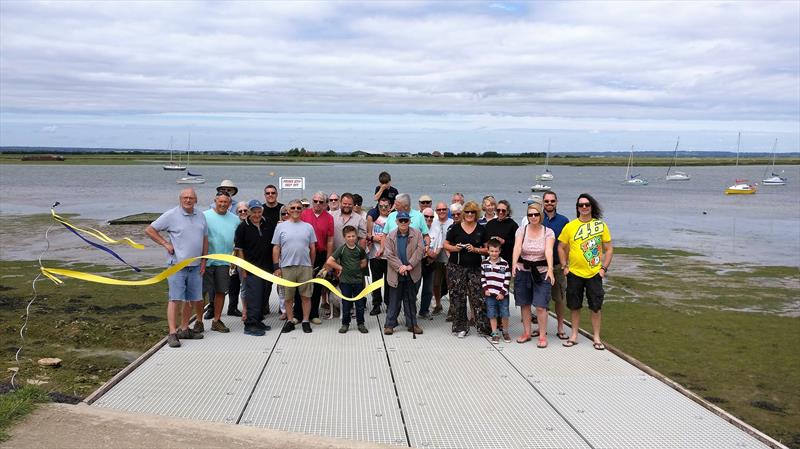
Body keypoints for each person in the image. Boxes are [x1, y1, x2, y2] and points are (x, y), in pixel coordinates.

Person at [145, 188, 208, 348]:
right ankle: (172, 333)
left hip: (195, 267)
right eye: (185, 197)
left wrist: (203, 262)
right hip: (176, 266)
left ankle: (185, 328)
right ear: (180, 199)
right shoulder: (171, 215)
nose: (188, 200)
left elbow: (205, 239)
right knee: (175, 299)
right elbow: (150, 230)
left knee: (192, 299)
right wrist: (165, 243)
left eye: (191, 198)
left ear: (196, 200)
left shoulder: (201, 216)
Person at [558, 193, 613, 350]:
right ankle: (574, 335)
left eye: (587, 205)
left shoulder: (601, 226)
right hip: (574, 273)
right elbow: (561, 247)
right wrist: (564, 267)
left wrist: (603, 269)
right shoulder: (570, 226)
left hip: (594, 273)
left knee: (596, 306)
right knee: (574, 306)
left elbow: (609, 249)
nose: (584, 207)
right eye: (581, 205)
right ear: (577, 208)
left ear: (591, 207)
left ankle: (596, 337)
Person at [443, 201, 490, 338]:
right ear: (464, 213)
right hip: (456, 267)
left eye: (472, 212)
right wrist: (455, 248)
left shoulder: (482, 229)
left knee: (479, 297)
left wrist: (475, 249)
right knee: (457, 297)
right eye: (467, 212)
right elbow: (445, 245)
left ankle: (483, 326)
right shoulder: (455, 228)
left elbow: (487, 249)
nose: (470, 214)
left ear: (476, 214)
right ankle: (460, 327)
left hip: (475, 267)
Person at [511, 201, 554, 348]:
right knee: (525, 303)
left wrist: (550, 268)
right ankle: (527, 332)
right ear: (527, 216)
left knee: (541, 306)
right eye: (530, 214)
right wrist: (514, 264)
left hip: (541, 272)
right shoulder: (521, 230)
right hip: (524, 270)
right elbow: (517, 247)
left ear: (540, 215)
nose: (533, 217)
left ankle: (542, 335)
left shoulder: (548, 232)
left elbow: (548, 250)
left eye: (536, 214)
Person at [272, 199, 317, 334]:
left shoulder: (308, 227)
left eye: (298, 208)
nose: (296, 210)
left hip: (305, 266)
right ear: (288, 210)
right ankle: (290, 321)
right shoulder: (281, 227)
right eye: (293, 208)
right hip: (287, 266)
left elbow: (312, 248)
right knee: (288, 297)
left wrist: (311, 265)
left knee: (306, 296)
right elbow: (276, 248)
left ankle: (305, 321)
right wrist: (276, 267)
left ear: (302, 210)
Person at [234, 200, 276, 336]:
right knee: (254, 296)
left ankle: (258, 320)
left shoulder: (268, 223)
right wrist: (243, 269)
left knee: (263, 294)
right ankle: (250, 325)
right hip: (251, 268)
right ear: (249, 212)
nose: (256, 215)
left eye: (259, 212)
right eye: (254, 212)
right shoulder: (242, 227)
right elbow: (239, 250)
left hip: (266, 267)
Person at [202, 192, 239, 333]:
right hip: (206, 260)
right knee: (201, 293)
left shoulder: (235, 219)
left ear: (230, 204)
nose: (223, 204)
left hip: (224, 262)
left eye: (226, 202)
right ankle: (199, 321)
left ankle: (216, 320)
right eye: (220, 201)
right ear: (215, 201)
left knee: (221, 292)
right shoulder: (204, 216)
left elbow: (239, 241)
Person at [383, 211, 425, 335]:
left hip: (411, 272)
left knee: (410, 300)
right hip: (396, 274)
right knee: (394, 301)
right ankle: (389, 325)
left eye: (405, 220)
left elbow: (420, 250)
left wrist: (409, 265)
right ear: (396, 221)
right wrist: (400, 266)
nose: (403, 223)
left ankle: (412, 324)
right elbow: (388, 254)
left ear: (409, 221)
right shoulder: (390, 235)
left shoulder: (417, 234)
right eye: (400, 220)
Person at [326, 225, 369, 334]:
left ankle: (361, 323)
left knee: (359, 304)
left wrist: (357, 268)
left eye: (353, 236)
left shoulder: (360, 249)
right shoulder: (342, 249)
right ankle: (345, 324)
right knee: (346, 304)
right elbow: (330, 261)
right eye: (348, 236)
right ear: (344, 237)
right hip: (345, 282)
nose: (351, 238)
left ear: (356, 237)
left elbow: (364, 262)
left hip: (358, 281)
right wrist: (341, 268)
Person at [300, 191, 335, 324]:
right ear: (312, 201)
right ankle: (299, 313)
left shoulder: (329, 218)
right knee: (302, 284)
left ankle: (314, 314)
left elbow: (330, 240)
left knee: (317, 285)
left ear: (326, 204)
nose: (318, 204)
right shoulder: (304, 214)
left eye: (321, 202)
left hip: (320, 254)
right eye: (315, 201)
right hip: (305, 254)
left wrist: (328, 260)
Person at [541, 191, 570, 340]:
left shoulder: (564, 221)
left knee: (559, 298)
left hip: (558, 266)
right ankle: (542, 329)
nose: (549, 203)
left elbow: (568, 244)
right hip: (541, 266)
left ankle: (560, 328)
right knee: (542, 299)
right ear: (543, 202)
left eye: (552, 201)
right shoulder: (537, 219)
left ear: (556, 202)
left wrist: (566, 265)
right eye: (546, 201)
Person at [481, 239, 511, 344]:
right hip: (490, 294)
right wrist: (485, 289)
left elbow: (507, 279)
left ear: (500, 251)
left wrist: (502, 293)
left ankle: (505, 332)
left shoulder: (504, 264)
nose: (494, 253)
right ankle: (494, 333)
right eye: (492, 251)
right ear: (488, 251)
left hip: (502, 295)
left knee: (504, 314)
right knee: (492, 314)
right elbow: (482, 278)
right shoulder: (484, 263)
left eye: (496, 251)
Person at [366, 197, 391, 315]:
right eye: (381, 206)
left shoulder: (393, 219)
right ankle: (376, 305)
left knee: (388, 282)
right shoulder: (373, 219)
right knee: (376, 281)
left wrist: (384, 240)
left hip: (389, 256)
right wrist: (373, 238)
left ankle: (389, 304)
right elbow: (367, 235)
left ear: (390, 206)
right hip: (375, 256)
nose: (384, 208)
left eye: (386, 206)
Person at [260, 184, 283, 315]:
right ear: (265, 195)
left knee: (282, 281)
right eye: (267, 193)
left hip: (282, 250)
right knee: (266, 282)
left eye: (273, 193)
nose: (270, 195)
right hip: (266, 250)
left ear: (276, 194)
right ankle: (264, 306)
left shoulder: (283, 209)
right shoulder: (261, 210)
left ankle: (283, 306)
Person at [225, 201, 250, 317]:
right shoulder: (234, 224)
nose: (243, 212)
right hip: (233, 258)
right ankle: (232, 307)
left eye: (245, 210)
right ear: (237, 213)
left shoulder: (251, 224)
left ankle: (250, 308)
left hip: (248, 259)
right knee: (233, 285)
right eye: (240, 211)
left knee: (247, 285)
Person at [429, 201, 452, 315]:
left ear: (447, 211)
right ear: (436, 211)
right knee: (435, 283)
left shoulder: (452, 223)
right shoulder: (433, 222)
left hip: (449, 258)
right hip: (436, 258)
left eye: (444, 209)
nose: (442, 212)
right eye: (439, 210)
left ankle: (452, 308)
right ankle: (438, 304)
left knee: (450, 283)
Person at [484, 200, 518, 273]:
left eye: (503, 210)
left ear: (508, 211)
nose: (500, 212)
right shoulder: (490, 224)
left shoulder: (513, 225)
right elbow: (484, 241)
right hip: (490, 262)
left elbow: (517, 244)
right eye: (498, 210)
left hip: (506, 261)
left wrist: (504, 241)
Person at [418, 207, 437, 318]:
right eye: (426, 216)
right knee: (415, 288)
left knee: (428, 289)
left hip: (431, 261)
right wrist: (428, 253)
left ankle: (424, 310)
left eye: (431, 217)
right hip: (419, 261)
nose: (429, 218)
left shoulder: (436, 229)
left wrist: (433, 256)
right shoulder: (417, 228)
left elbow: (439, 245)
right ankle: (410, 311)